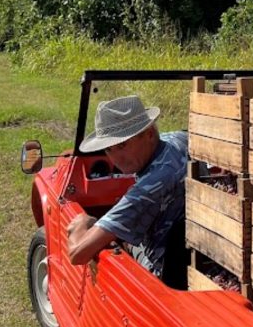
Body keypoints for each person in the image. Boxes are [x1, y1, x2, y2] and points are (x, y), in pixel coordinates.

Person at [66, 95, 189, 283]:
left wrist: (82, 223)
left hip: (160, 272)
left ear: (148, 134)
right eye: (108, 149)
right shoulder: (177, 140)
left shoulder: (149, 187)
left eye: (122, 146)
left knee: (117, 242)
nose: (116, 159)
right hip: (187, 250)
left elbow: (78, 254)